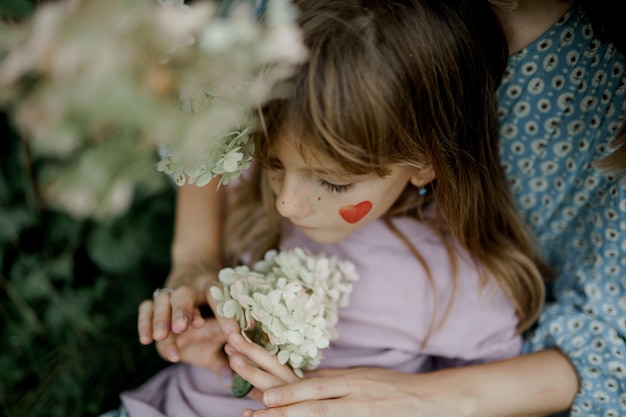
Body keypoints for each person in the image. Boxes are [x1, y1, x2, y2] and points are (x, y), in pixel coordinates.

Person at [137, 0, 626, 416]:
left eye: (334, 182)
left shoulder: (457, 289)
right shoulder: (259, 198)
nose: (285, 202)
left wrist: (416, 398)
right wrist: (199, 284)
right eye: (272, 163)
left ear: (425, 164)